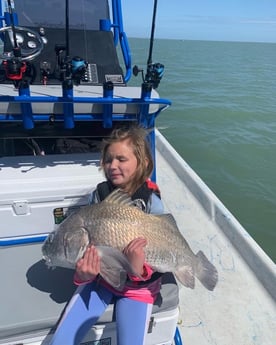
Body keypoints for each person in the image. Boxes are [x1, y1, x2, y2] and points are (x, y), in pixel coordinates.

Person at [49, 125, 165, 345]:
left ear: (143, 163)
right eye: (108, 159)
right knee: (61, 342)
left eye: (121, 159)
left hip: (138, 289)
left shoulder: (152, 202)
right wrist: (84, 274)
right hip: (100, 282)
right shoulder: (99, 195)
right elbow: (87, 246)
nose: (113, 165)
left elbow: (162, 249)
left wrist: (138, 268)